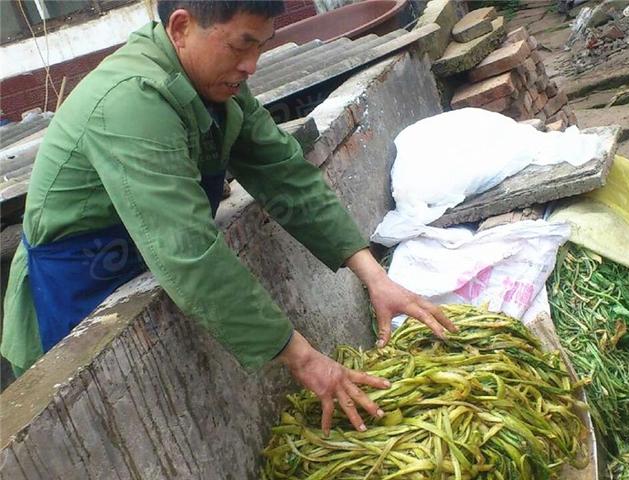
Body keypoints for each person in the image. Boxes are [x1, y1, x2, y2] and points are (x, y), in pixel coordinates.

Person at [1, 0, 455, 434]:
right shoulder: (131, 102)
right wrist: (304, 357)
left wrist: (373, 275)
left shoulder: (217, 85)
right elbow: (187, 251)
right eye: (241, 45)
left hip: (143, 258)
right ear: (181, 28)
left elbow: (284, 173)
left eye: (261, 45)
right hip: (74, 289)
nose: (252, 65)